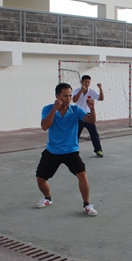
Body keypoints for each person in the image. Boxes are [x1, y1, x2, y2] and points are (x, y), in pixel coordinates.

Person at [35, 83, 98, 216]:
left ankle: (87, 205)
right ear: (57, 96)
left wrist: (92, 109)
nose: (68, 99)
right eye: (65, 96)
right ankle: (48, 198)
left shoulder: (76, 110)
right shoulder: (47, 109)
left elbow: (91, 121)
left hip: (71, 151)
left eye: (70, 96)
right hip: (52, 151)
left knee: (82, 174)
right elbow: (45, 126)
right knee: (40, 179)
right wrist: (55, 109)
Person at [73, 75, 105, 157]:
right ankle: (72, 150)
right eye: (85, 82)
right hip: (78, 115)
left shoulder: (91, 91)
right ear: (81, 82)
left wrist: (100, 88)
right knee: (75, 134)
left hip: (88, 115)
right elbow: (74, 100)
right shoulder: (76, 90)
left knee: (94, 133)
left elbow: (101, 98)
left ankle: (98, 150)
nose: (87, 84)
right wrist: (81, 91)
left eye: (88, 82)